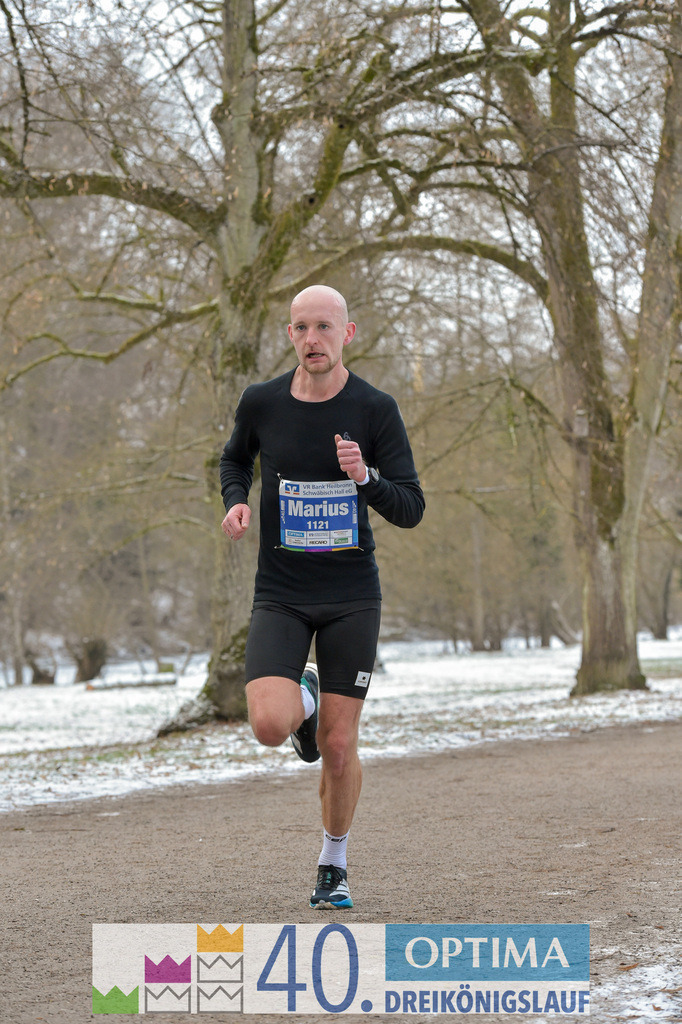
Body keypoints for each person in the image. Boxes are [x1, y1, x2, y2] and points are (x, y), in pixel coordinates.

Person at [219, 285, 425, 908]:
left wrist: (366, 478)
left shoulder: (375, 408)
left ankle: (333, 861)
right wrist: (236, 500)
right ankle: (302, 698)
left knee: (339, 746)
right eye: (302, 328)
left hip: (351, 596)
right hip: (280, 592)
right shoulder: (261, 402)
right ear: (290, 335)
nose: (313, 339)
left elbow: (411, 507)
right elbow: (233, 461)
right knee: (268, 725)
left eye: (324, 328)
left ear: (347, 334)